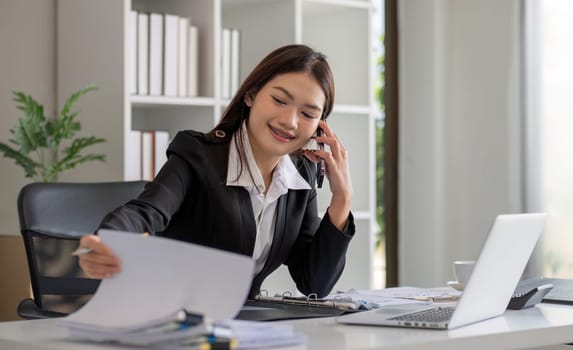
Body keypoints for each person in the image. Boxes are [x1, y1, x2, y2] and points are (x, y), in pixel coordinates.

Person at [78, 44, 355, 298]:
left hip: (242, 329)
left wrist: (342, 201)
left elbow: (313, 283)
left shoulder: (300, 178)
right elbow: (146, 211)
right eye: (280, 100)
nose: (290, 121)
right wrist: (108, 240)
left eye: (308, 114)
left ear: (320, 127)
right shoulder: (198, 155)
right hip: (171, 319)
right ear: (251, 95)